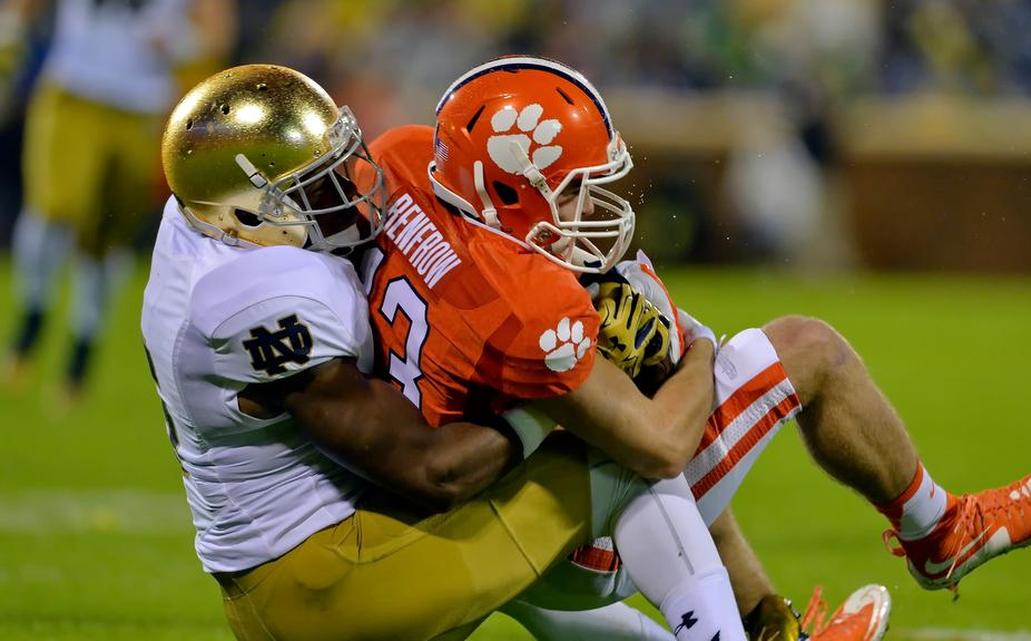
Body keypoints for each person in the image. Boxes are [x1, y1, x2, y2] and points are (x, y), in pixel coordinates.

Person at [382, 55, 1031, 641]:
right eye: (571, 193)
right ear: (504, 185)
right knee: (800, 351)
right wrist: (696, 351)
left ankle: (771, 626)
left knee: (669, 414)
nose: (590, 210)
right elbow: (660, 446)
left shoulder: (409, 164)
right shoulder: (526, 302)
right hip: (550, 537)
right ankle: (940, 531)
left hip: (438, 520)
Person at [145, 62, 756, 641]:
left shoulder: (196, 221)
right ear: (245, 215)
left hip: (296, 571)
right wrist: (553, 400)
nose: (345, 189)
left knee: (516, 550)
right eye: (313, 187)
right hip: (332, 581)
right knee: (618, 447)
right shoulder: (260, 298)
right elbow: (432, 470)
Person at [6, 0, 233, 400]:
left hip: (140, 106)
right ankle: (30, 323)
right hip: (72, 91)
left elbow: (216, 34)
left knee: (106, 232)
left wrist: (180, 43)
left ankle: (81, 350)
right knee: (55, 207)